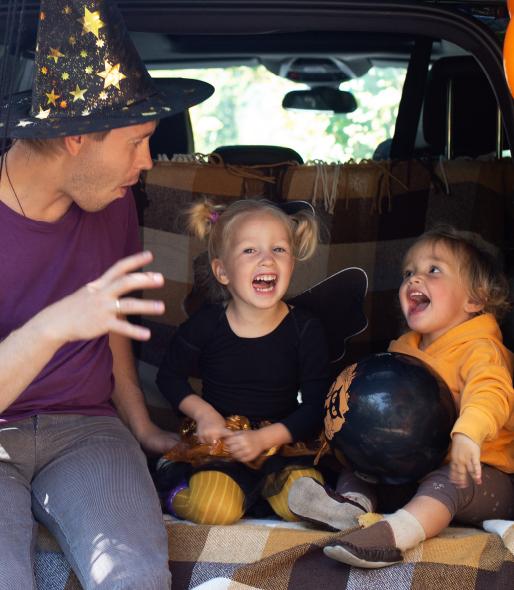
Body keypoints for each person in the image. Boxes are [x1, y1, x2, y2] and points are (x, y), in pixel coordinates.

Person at [0, 1, 213, 588]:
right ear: (76, 138)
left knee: (134, 577)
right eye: (138, 140)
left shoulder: (111, 202)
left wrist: (142, 427)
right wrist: (53, 326)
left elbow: (111, 322)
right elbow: (80, 317)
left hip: (87, 430)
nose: (147, 163)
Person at [288, 226, 514, 568]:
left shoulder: (481, 348)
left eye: (433, 270)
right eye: (408, 272)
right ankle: (351, 507)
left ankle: (395, 536)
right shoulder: (402, 351)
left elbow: (491, 391)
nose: (414, 279)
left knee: (449, 482)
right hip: (411, 473)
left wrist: (469, 433)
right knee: (362, 465)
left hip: (480, 476)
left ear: (475, 299)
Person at [155, 198, 331, 525]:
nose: (267, 259)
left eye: (279, 249)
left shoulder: (305, 329)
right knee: (216, 509)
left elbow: (316, 407)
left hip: (281, 447)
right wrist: (204, 414)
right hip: (222, 449)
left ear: (293, 261)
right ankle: (169, 491)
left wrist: (266, 439)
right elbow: (169, 377)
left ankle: (322, 503)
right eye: (250, 251)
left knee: (307, 496)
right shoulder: (206, 324)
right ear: (222, 271)